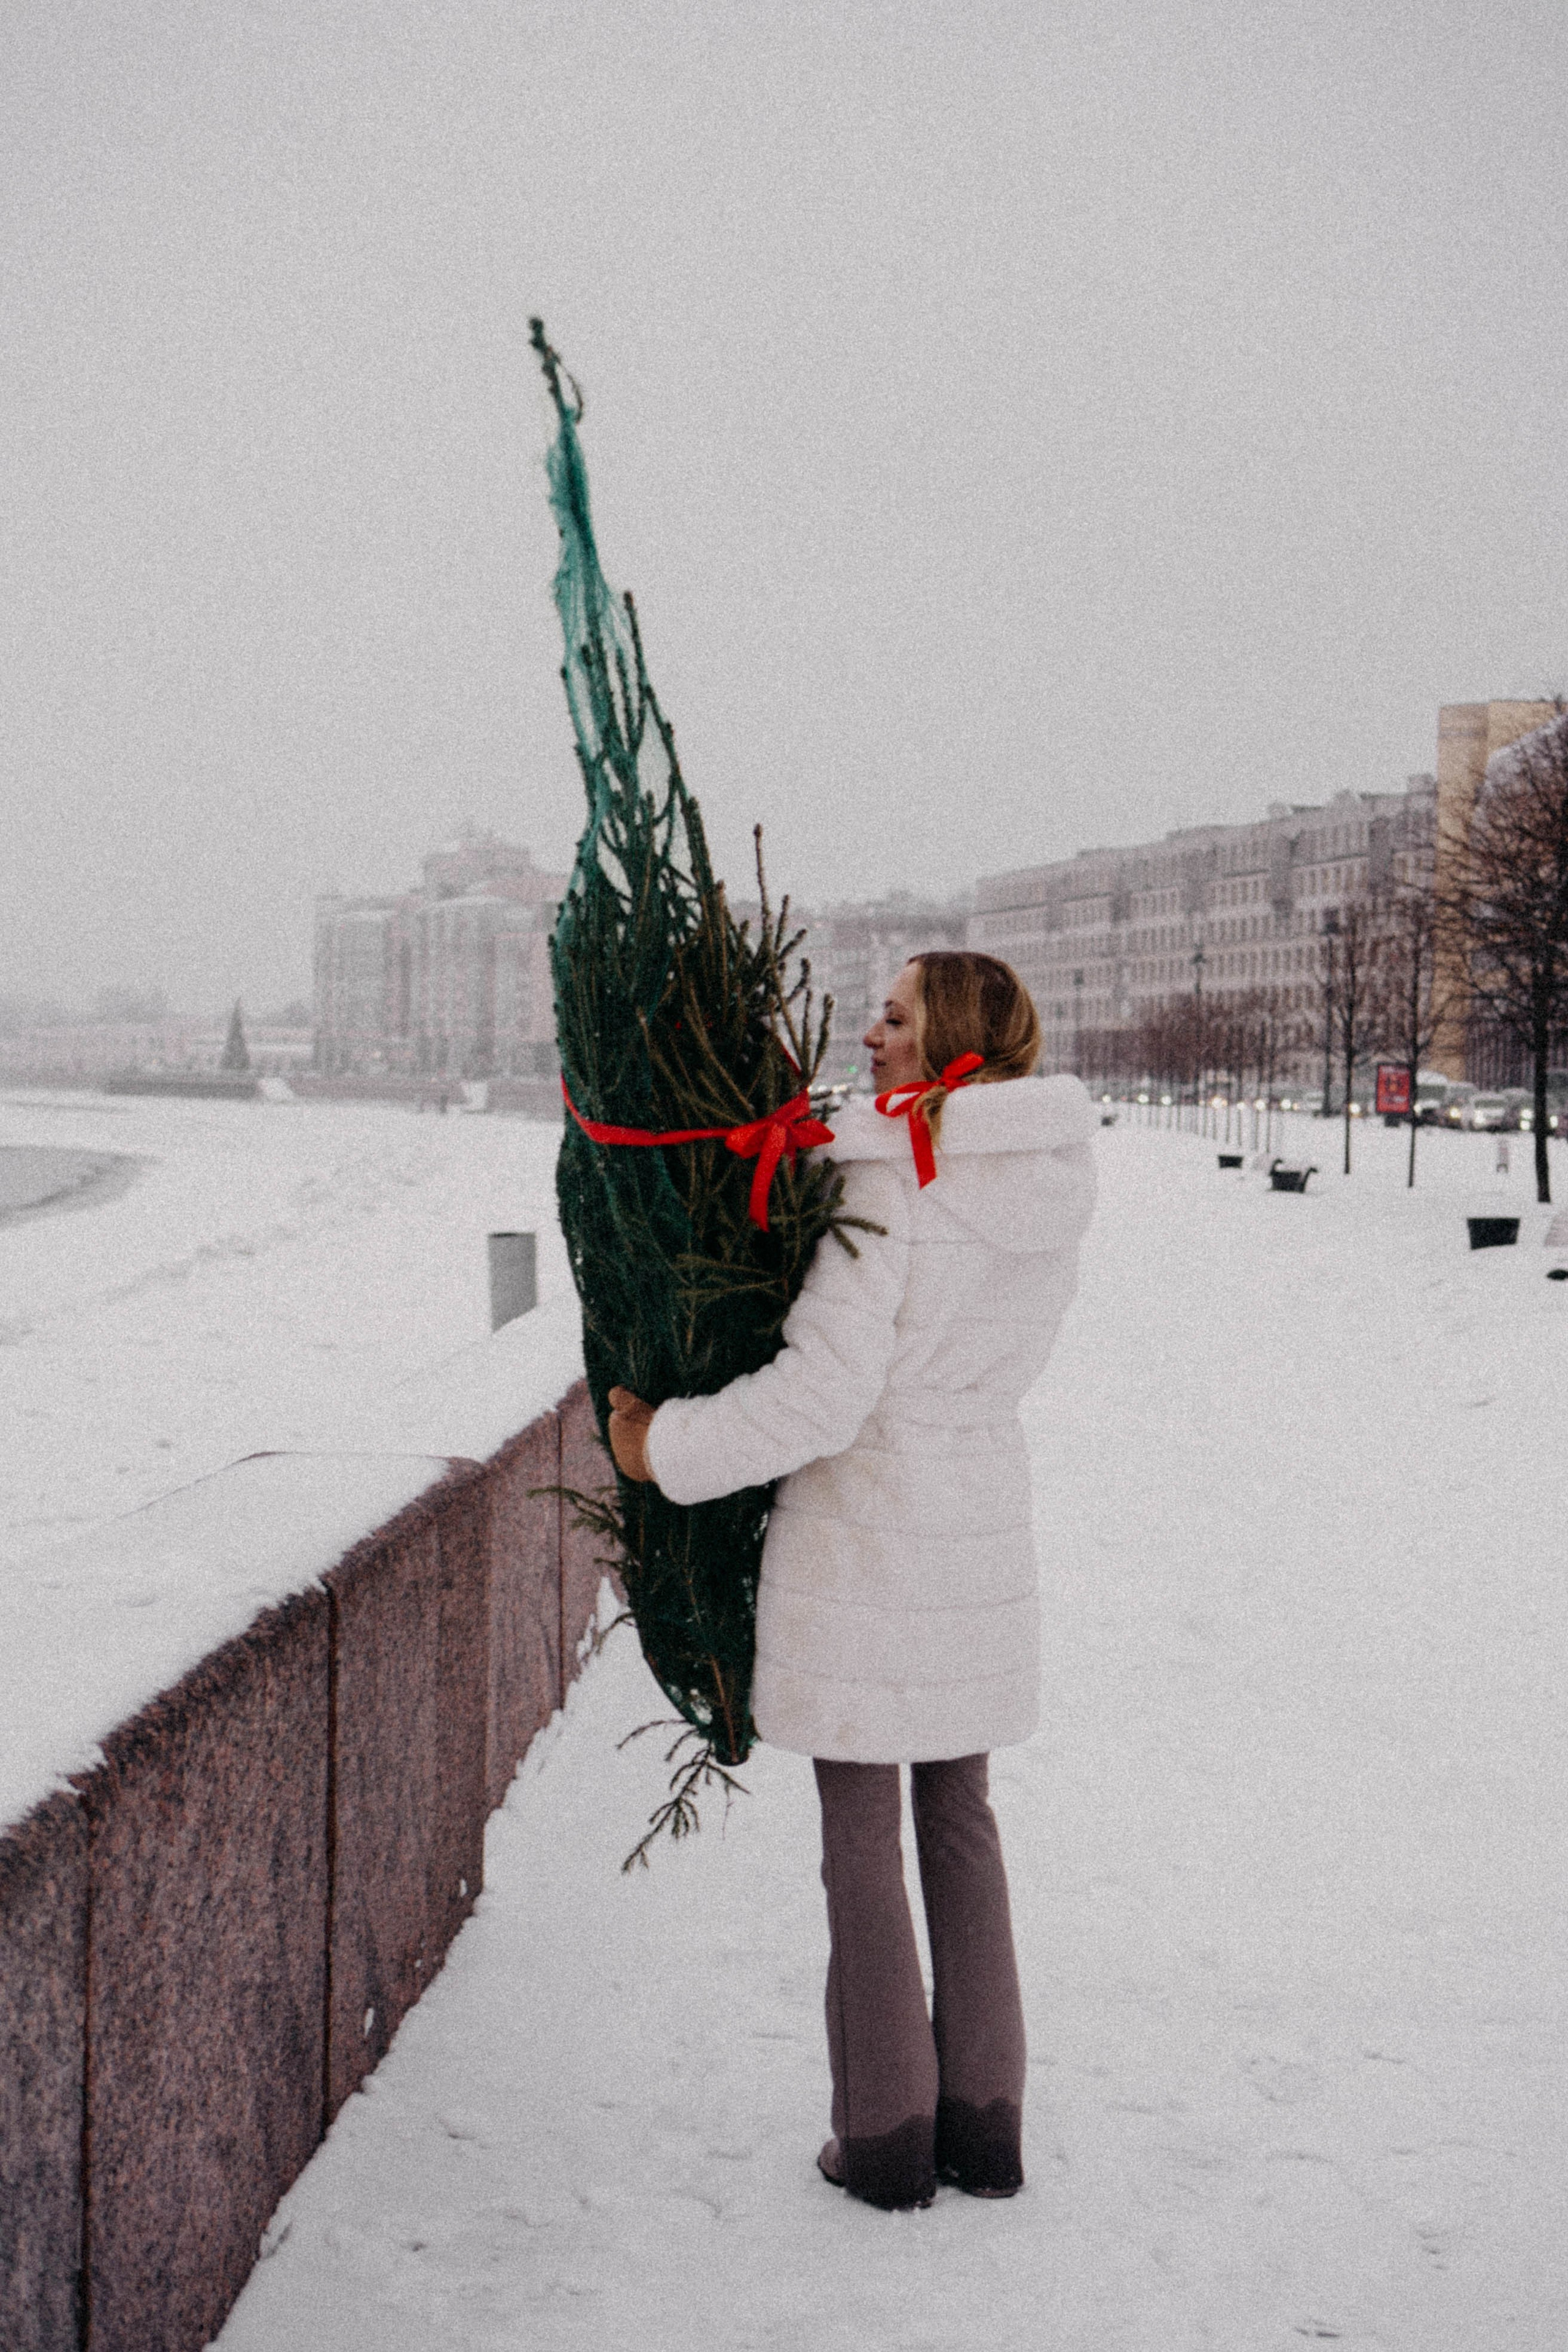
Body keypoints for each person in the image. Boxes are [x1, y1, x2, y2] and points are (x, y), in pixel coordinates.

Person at [607, 950, 1096, 2211]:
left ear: (947, 1039)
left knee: (861, 1837)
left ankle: (882, 2138)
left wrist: (665, 1448)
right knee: (961, 1820)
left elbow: (824, 1396)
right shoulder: (1043, 1184)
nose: (867, 1034)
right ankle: (986, 2127)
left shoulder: (888, 1179)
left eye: (893, 1015)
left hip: (870, 1531)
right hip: (976, 1525)